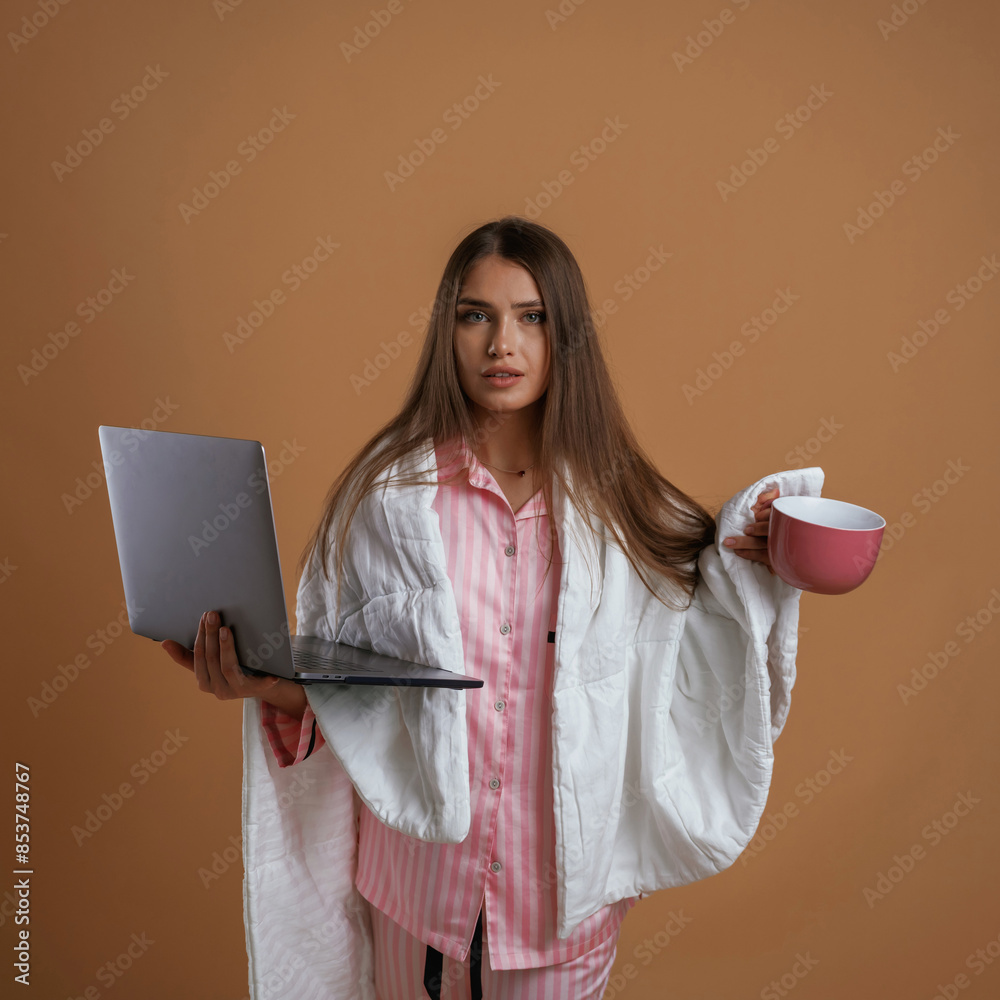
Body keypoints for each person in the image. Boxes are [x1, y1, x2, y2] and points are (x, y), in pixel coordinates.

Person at [162, 216, 823, 999]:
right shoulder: (386, 502)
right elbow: (358, 700)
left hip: (561, 918)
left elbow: (698, 653)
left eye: (530, 317)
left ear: (563, 336)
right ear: (448, 334)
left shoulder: (623, 511)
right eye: (476, 315)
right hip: (415, 899)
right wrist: (258, 682)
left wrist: (757, 546)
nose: (500, 343)